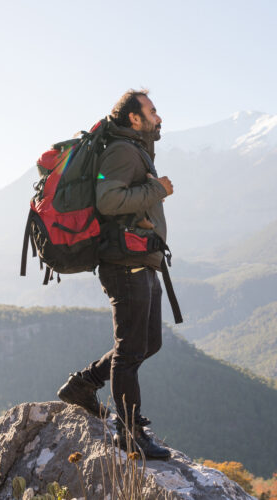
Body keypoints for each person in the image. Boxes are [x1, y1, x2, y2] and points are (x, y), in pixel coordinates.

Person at [57, 89, 174, 459]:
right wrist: (158, 188)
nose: (159, 117)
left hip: (141, 261)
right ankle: (129, 433)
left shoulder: (133, 147)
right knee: (130, 351)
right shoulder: (122, 151)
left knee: (147, 344)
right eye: (152, 111)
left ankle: (83, 384)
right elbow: (109, 199)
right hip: (126, 265)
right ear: (134, 118)